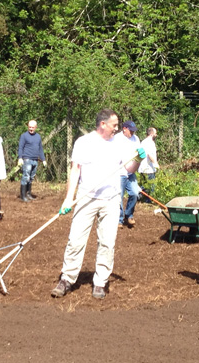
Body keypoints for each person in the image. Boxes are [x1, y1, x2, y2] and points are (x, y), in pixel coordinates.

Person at [52, 109, 145, 300]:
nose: (117, 128)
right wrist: (69, 198)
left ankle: (100, 282)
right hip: (86, 197)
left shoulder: (119, 144)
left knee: (107, 243)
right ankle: (67, 278)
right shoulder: (84, 142)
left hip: (111, 200)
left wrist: (138, 159)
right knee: (75, 240)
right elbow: (75, 170)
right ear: (103, 124)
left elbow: (129, 169)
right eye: (114, 125)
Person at [114, 120, 141, 227]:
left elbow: (138, 152)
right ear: (124, 129)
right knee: (119, 197)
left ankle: (129, 215)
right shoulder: (117, 139)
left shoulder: (136, 139)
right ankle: (119, 219)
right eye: (131, 130)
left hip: (131, 172)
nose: (132, 133)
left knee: (135, 193)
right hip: (120, 172)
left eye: (134, 131)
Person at [17, 120, 46, 202]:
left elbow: (40, 149)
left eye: (32, 127)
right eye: (30, 127)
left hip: (35, 160)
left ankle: (28, 194)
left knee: (31, 177)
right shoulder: (24, 136)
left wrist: (43, 159)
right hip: (27, 159)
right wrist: (20, 158)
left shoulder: (38, 137)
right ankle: (23, 195)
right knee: (26, 176)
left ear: (36, 127)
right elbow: (20, 147)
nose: (31, 129)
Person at [138, 126, 160, 197]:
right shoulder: (150, 143)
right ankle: (148, 200)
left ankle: (139, 198)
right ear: (151, 134)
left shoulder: (143, 142)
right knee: (151, 187)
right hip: (149, 168)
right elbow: (150, 155)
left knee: (143, 186)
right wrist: (156, 164)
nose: (156, 135)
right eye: (155, 133)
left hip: (142, 168)